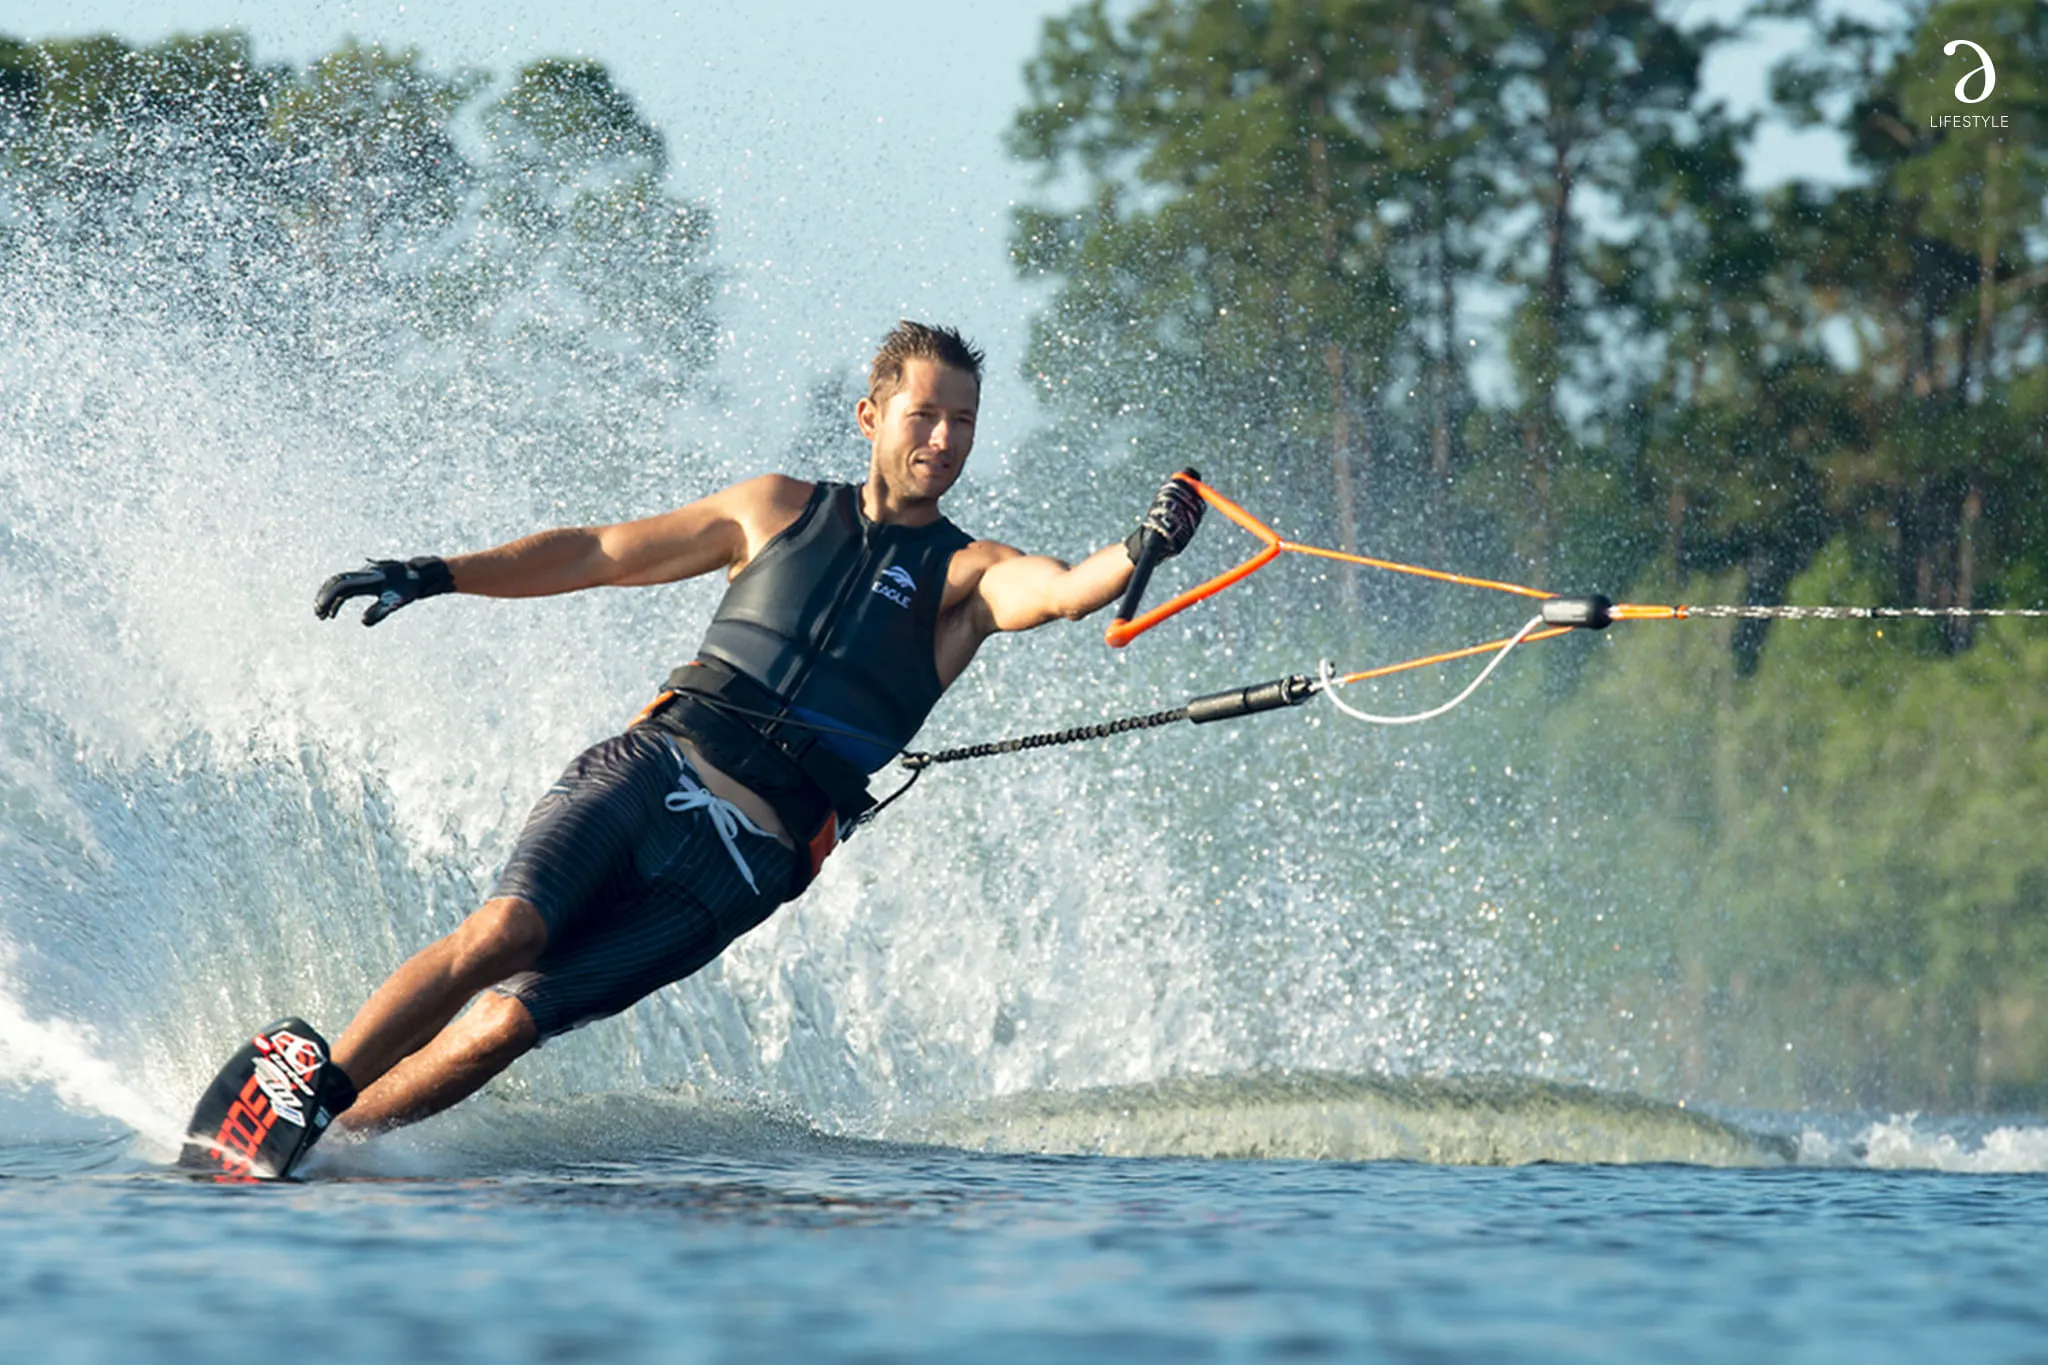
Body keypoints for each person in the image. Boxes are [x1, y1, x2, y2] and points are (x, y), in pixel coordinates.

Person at [300, 321, 1204, 1148]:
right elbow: (599, 554)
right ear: (870, 415)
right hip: (655, 769)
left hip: (741, 866)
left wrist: (1139, 548)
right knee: (503, 930)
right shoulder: (773, 508)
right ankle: (316, 1093)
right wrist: (440, 573)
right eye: (924, 415)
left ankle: (327, 1149)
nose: (944, 441)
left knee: (504, 1024)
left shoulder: (969, 576)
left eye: (963, 422)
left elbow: (1060, 591)